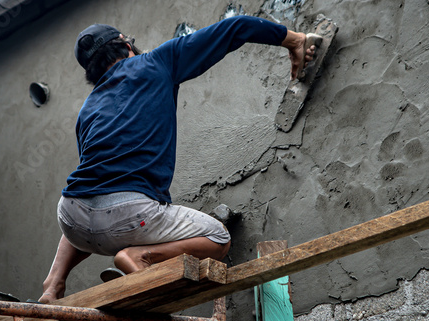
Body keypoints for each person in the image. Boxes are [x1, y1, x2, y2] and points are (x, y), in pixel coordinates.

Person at [38, 15, 318, 304]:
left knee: (90, 195)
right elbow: (236, 27)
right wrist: (294, 40)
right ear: (126, 46)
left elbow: (98, 186)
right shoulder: (155, 62)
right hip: (130, 217)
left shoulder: (87, 109)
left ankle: (53, 284)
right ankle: (138, 256)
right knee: (218, 238)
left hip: (72, 218)